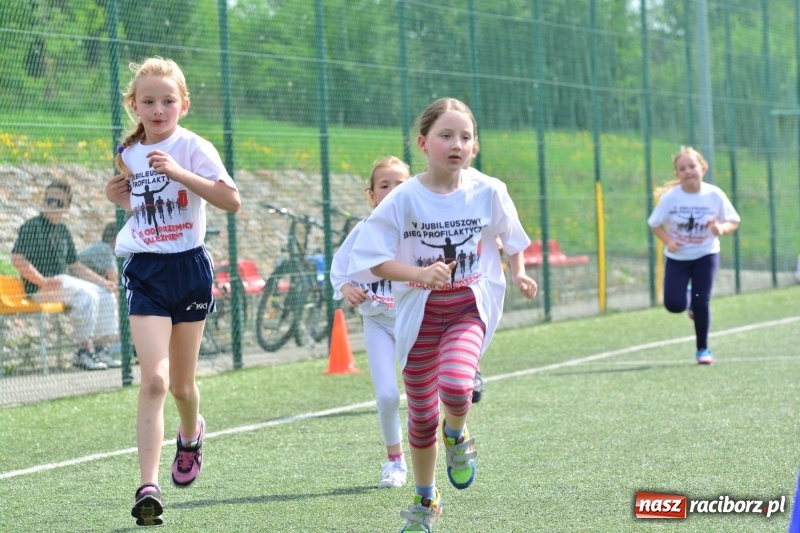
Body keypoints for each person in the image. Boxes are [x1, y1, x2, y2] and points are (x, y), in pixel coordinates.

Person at [347, 98, 538, 532]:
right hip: (418, 317)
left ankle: (456, 433)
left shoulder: (489, 190)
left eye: (465, 137)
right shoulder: (403, 199)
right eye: (446, 135)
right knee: (421, 416)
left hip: (468, 309)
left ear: (475, 146)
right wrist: (419, 274)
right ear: (423, 143)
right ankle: (426, 499)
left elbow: (513, 238)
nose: (456, 144)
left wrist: (520, 273)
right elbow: (373, 261)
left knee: (455, 386)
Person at [104, 56, 241, 527]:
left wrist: (181, 173)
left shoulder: (193, 147)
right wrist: (120, 198)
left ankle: (190, 434)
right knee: (155, 381)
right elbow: (144, 207)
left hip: (189, 269)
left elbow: (231, 200)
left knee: (182, 386)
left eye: (167, 101)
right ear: (134, 106)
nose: (158, 109)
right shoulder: (127, 154)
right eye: (148, 102)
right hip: (145, 270)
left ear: (184, 104)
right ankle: (148, 487)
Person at [330, 156, 411, 489]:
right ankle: (395, 462)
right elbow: (340, 269)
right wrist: (348, 289)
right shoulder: (364, 231)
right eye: (384, 185)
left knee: (426, 394)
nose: (392, 191)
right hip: (377, 325)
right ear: (372, 195)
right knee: (388, 396)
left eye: (400, 185)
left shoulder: (419, 232)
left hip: (414, 323)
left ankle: (448, 438)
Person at [11, 180, 121, 370]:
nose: (53, 205)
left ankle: (101, 349)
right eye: (49, 200)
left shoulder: (63, 231)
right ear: (43, 201)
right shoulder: (32, 226)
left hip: (63, 283)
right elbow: (17, 258)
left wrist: (102, 282)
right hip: (39, 289)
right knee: (87, 296)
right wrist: (42, 281)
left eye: (59, 202)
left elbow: (74, 265)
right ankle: (83, 352)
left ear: (67, 207)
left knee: (106, 293)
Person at [648, 146, 740, 365]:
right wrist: (669, 241)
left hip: (705, 255)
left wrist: (721, 229)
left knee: (702, 302)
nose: (688, 171)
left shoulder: (714, 195)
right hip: (678, 258)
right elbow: (654, 224)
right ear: (677, 174)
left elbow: (733, 221)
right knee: (674, 304)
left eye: (692, 166)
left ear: (703, 168)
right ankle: (687, 299)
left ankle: (703, 349)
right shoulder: (671, 198)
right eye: (682, 169)